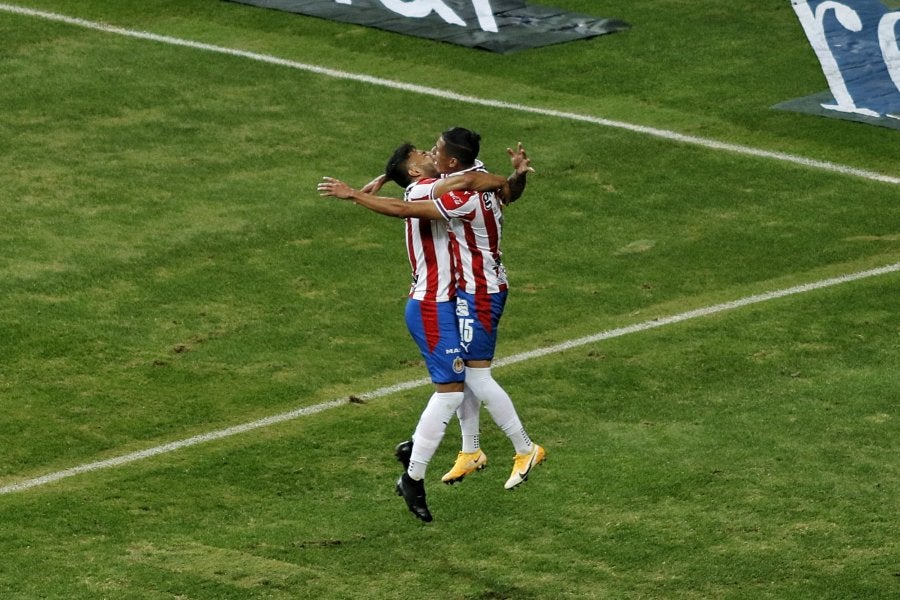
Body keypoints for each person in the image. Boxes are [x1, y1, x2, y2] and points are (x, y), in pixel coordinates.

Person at [318, 144, 514, 522]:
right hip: (430, 306)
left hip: (446, 302)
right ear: (413, 172)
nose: (429, 152)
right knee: (451, 393)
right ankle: (413, 478)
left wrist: (380, 179)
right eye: (420, 154)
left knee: (466, 382)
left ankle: (425, 449)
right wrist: (356, 195)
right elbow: (410, 204)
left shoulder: (428, 184)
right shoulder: (424, 190)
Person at [428, 127, 546, 491]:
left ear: (451, 161)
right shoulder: (478, 175)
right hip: (477, 288)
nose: (431, 153)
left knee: (477, 377)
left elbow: (407, 209)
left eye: (436, 149)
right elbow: (509, 192)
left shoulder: (463, 195)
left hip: (480, 293)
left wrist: (356, 196)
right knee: (461, 370)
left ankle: (526, 448)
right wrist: (516, 175)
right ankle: (470, 451)